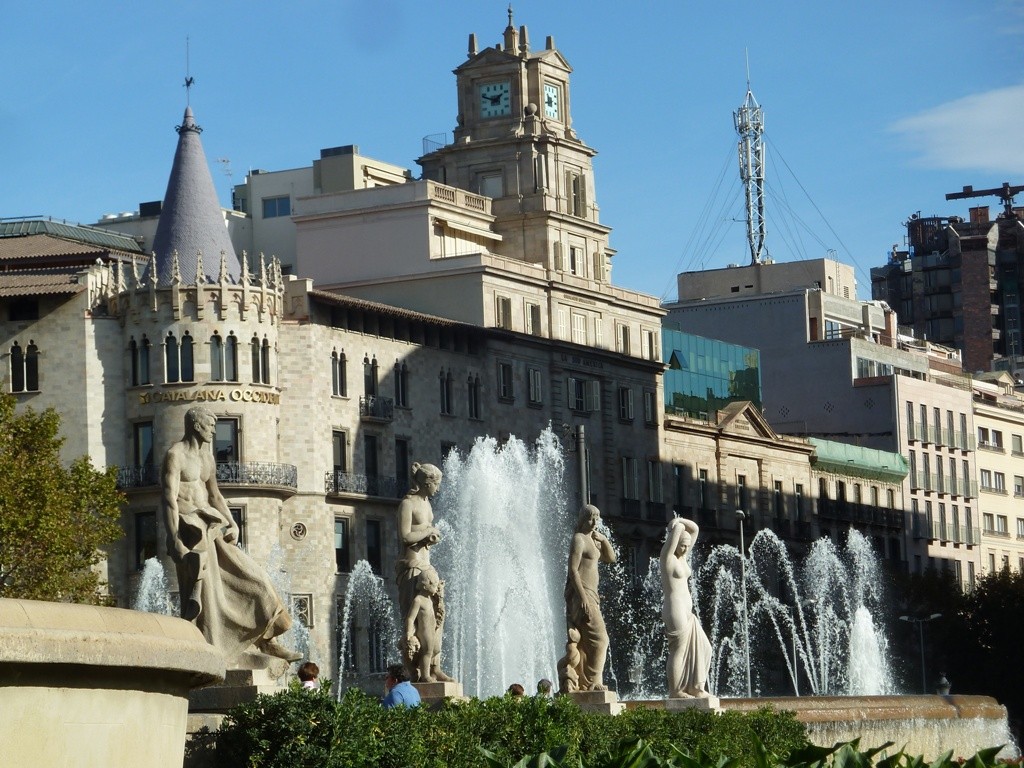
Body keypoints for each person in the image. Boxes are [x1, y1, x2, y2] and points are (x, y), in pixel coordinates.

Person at [162, 405, 299, 662]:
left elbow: (214, 495)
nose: (214, 431)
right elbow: (168, 500)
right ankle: (210, 650)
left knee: (256, 581)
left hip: (211, 527)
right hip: (190, 530)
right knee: (207, 596)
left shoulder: (207, 458)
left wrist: (232, 522)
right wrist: (175, 541)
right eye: (210, 426)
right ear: (196, 425)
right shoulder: (175, 455)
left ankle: (268, 640)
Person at [395, 462, 452, 681]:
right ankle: (416, 670)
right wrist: (428, 531)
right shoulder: (407, 504)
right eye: (436, 483)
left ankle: (435, 665)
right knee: (416, 619)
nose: (438, 488)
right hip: (411, 566)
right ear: (426, 482)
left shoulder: (427, 504)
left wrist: (431, 536)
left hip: (427, 565)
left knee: (437, 615)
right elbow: (405, 536)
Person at [563, 504, 616, 691]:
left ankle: (584, 681)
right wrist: (583, 597)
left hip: (591, 595)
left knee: (586, 642)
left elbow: (611, 558)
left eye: (597, 519)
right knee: (601, 639)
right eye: (591, 518)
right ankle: (594, 682)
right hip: (582, 595)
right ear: (582, 519)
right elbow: (573, 570)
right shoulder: (579, 539)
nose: (594, 523)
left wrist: (603, 540)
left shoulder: (593, 539)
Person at [660, 517, 713, 699]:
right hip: (674, 608)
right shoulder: (667, 558)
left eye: (687, 546)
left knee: (706, 648)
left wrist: (679, 519)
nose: (684, 548)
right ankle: (676, 691)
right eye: (682, 545)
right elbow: (676, 535)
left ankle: (695, 687)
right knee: (679, 649)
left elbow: (695, 529)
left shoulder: (683, 558)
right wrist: (676, 526)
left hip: (686, 611)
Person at [404, 569, 441, 682]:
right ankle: (425, 676)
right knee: (427, 651)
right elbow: (410, 618)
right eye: (434, 585)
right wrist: (409, 634)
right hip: (424, 632)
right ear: (426, 585)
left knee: (435, 649)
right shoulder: (418, 600)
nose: (436, 588)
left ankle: (429, 669)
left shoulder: (429, 599)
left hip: (431, 630)